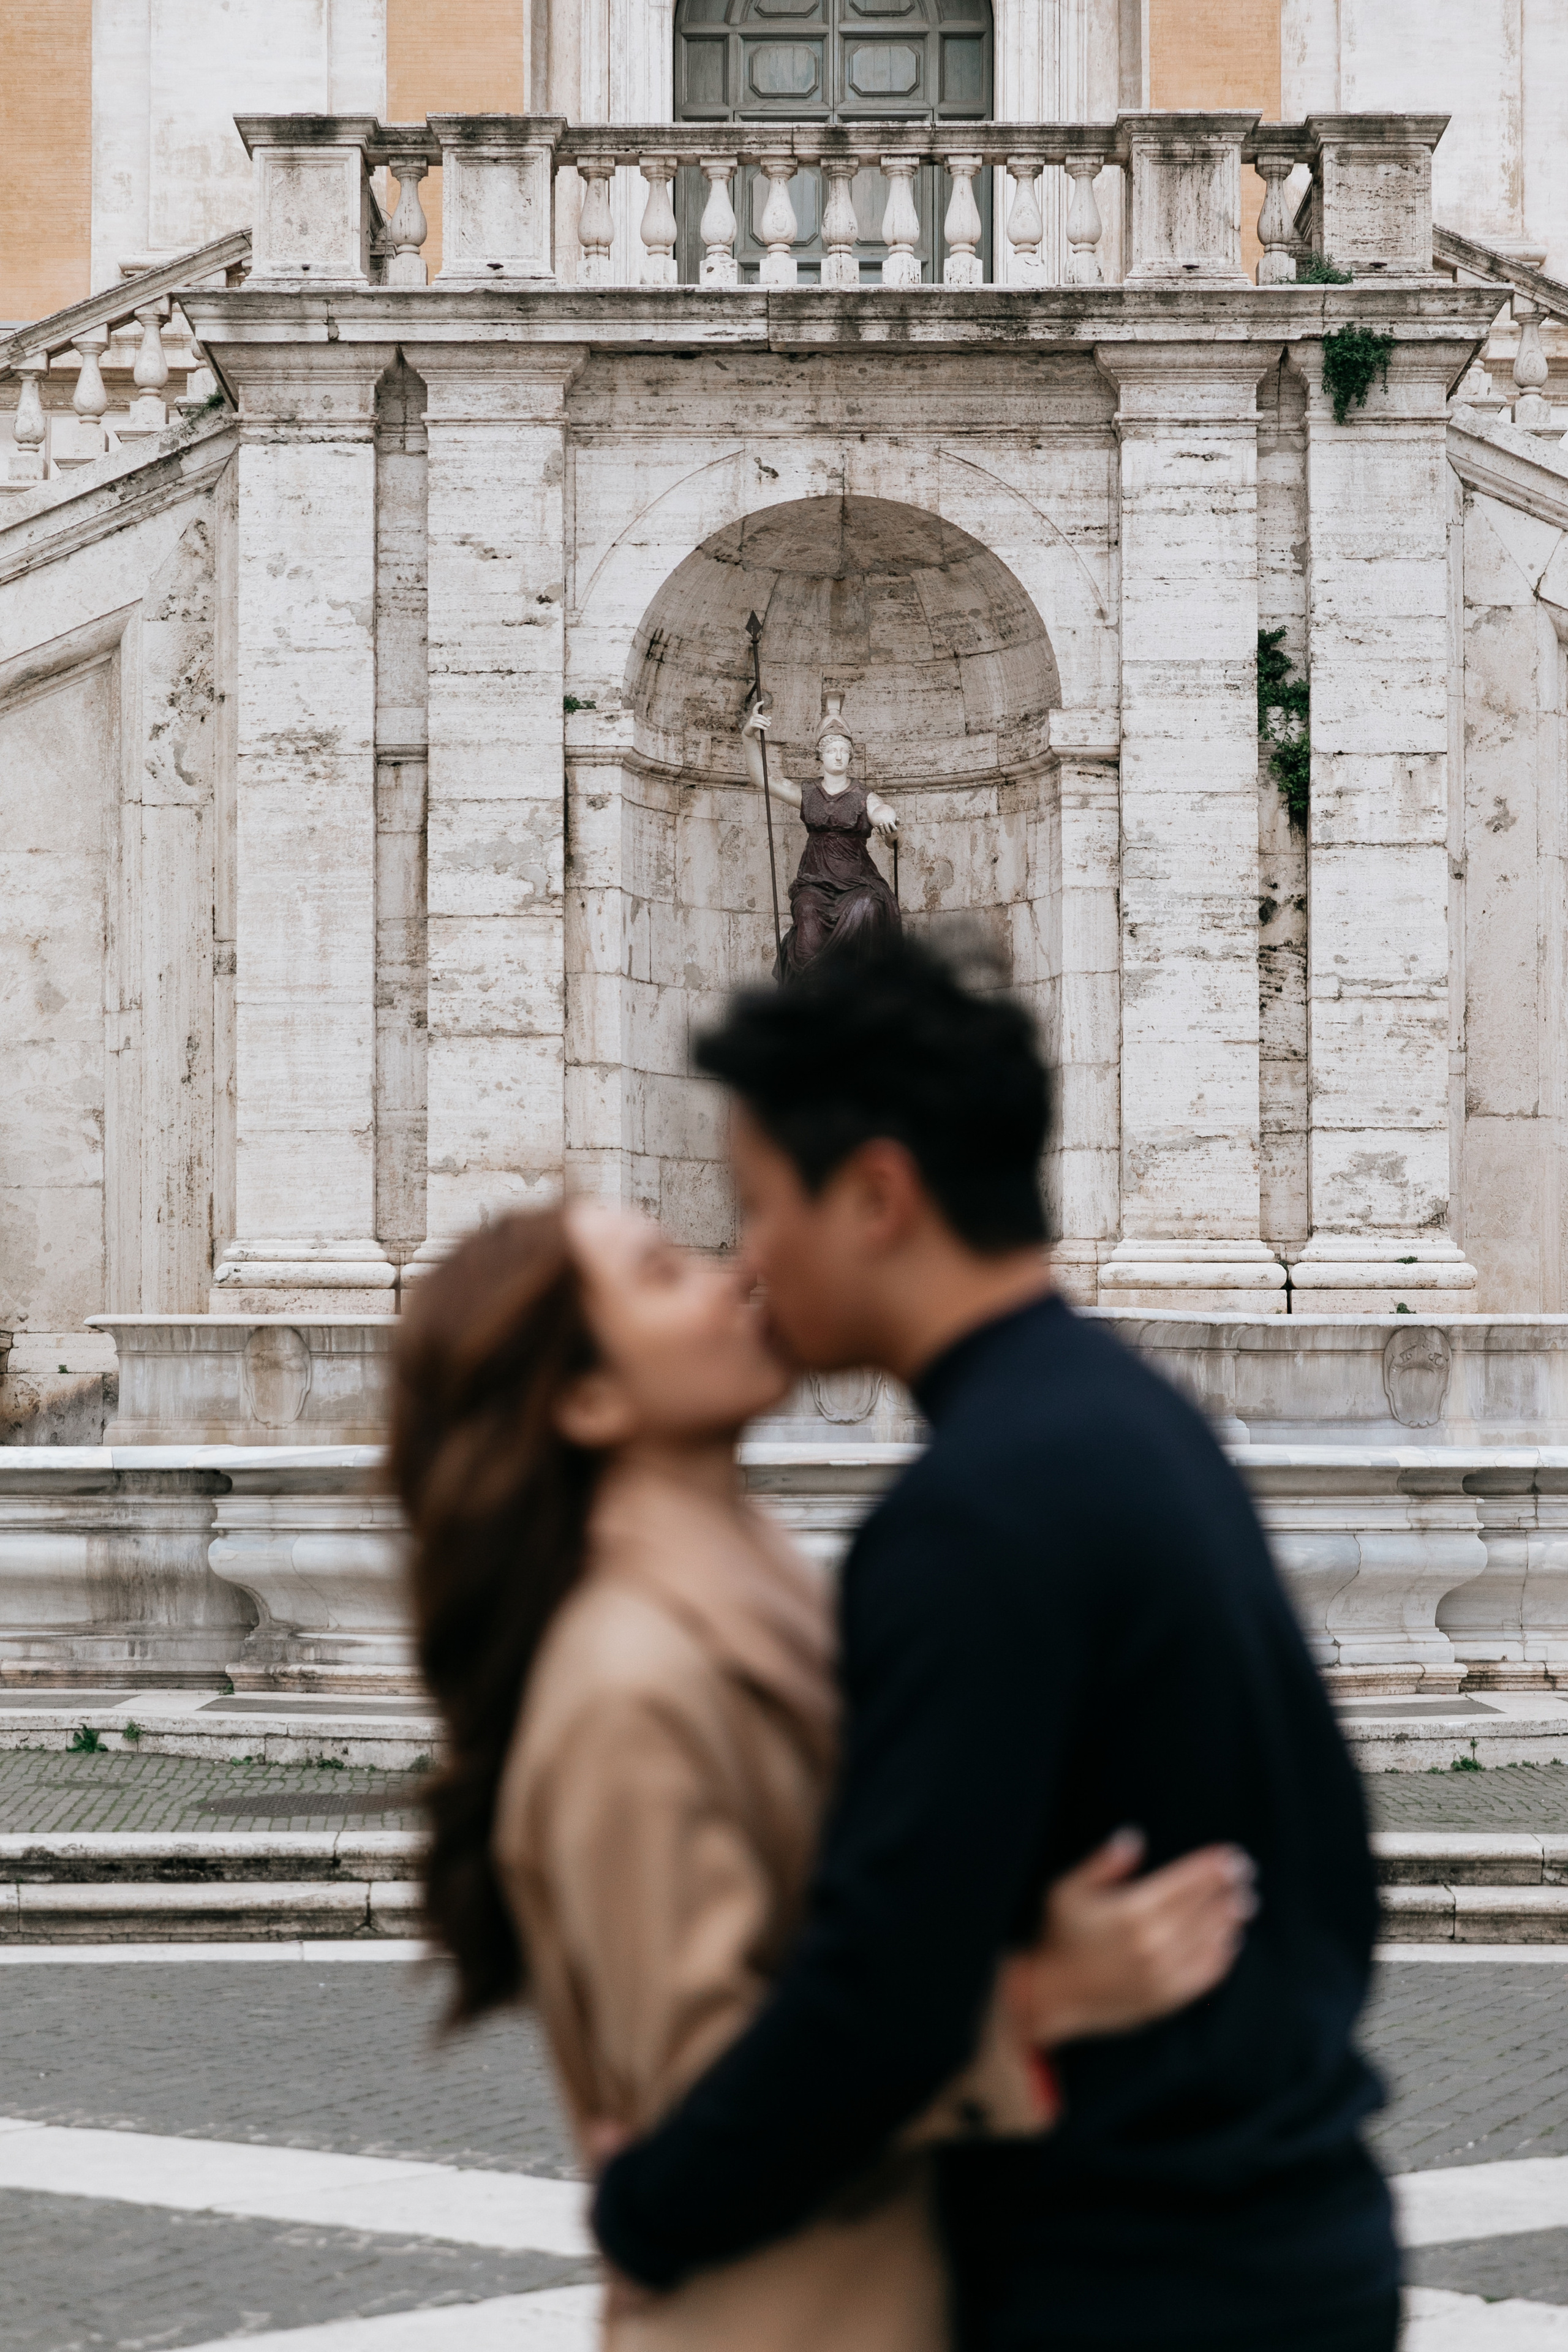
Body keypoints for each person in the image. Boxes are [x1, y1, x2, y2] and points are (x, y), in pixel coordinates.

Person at [591, 938, 1400, 2352]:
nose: (748, 1261)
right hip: (1275, 2226)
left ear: (877, 1196)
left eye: (756, 1206)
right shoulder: (1125, 1417)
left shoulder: (969, 1513)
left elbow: (881, 1989)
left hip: (1138, 2270)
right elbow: (1333, 1876)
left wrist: (649, 2203)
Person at [391, 1199, 1256, 2352]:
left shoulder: (777, 1592)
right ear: (588, 1400)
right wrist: (1046, 1994)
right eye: (662, 1274)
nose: (731, 1275)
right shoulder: (623, 1687)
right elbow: (722, 2101)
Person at [742, 688, 900, 977]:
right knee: (807, 912)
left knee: (867, 907)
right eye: (831, 750)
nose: (838, 756)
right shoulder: (808, 794)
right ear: (820, 754)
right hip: (815, 882)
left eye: (843, 751)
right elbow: (761, 778)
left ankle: (861, 989)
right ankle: (810, 995)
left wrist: (887, 822)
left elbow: (885, 821)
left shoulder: (863, 796)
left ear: (851, 756)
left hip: (857, 882)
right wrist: (748, 735)